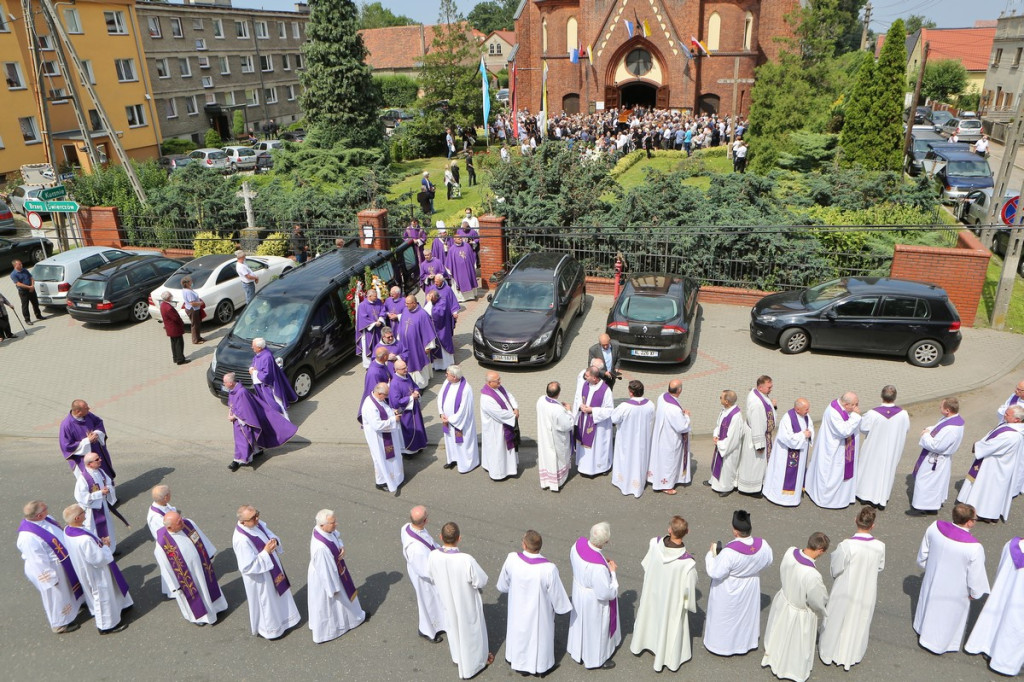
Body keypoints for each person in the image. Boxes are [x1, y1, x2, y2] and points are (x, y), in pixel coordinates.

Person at [913, 503, 989, 653]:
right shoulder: (974, 548)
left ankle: (922, 630)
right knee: (946, 616)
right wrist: (975, 593)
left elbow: (923, 554)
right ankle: (938, 645)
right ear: (969, 522)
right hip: (955, 589)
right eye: (975, 519)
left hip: (933, 579)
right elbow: (975, 575)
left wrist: (929, 568)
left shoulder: (935, 527)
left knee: (929, 604)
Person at [496, 529, 572, 676]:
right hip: (539, 612)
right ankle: (540, 666)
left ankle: (516, 660)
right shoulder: (548, 569)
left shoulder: (512, 559)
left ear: (524, 545)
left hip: (517, 608)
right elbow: (558, 599)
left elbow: (503, 585)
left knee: (517, 633)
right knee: (538, 638)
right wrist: (560, 607)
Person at [819, 506, 885, 671]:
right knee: (859, 619)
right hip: (867, 589)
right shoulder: (880, 546)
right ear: (873, 525)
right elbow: (880, 567)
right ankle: (851, 654)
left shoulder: (846, 545)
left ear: (855, 520)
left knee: (837, 618)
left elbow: (836, 568)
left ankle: (830, 652)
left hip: (845, 588)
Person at [630, 516, 698, 672]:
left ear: (669, 530)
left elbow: (647, 565)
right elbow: (688, 591)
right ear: (687, 532)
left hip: (652, 594)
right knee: (669, 626)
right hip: (670, 603)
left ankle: (642, 643)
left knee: (649, 618)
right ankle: (666, 657)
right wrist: (686, 604)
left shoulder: (655, 544)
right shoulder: (687, 564)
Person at [427, 521, 493, 679]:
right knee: (471, 631)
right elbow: (481, 581)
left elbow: (430, 575)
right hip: (465, 602)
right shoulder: (465, 560)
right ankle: (474, 665)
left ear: (440, 537)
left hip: (446, 599)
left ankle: (457, 657)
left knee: (452, 627)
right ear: (459, 538)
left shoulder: (433, 555)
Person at [761, 532, 830, 682]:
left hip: (784, 600)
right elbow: (817, 600)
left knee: (779, 633)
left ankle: (774, 657)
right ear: (820, 550)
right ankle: (790, 669)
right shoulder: (812, 575)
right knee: (795, 644)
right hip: (799, 611)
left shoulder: (790, 552)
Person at [704, 510, 774, 656]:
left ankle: (721, 646)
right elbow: (768, 561)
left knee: (726, 618)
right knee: (745, 616)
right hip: (750, 586)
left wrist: (710, 554)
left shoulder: (729, 552)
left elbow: (716, 572)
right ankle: (743, 644)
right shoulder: (763, 545)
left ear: (735, 531)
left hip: (730, 588)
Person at [233, 505, 301, 639]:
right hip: (261, 577)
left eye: (257, 514)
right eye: (253, 518)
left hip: (272, 566)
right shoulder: (241, 540)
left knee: (279, 596)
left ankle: (287, 620)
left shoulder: (255, 524)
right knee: (268, 602)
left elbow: (268, 534)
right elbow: (247, 566)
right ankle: (272, 630)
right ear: (243, 522)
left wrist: (274, 540)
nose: (257, 519)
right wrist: (266, 552)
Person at [63, 504, 132, 634]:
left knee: (110, 589)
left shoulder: (68, 530)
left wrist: (99, 543)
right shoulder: (84, 539)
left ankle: (121, 605)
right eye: (83, 512)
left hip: (83, 566)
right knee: (102, 595)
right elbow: (98, 559)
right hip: (96, 572)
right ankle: (106, 626)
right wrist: (105, 546)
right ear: (77, 518)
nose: (85, 513)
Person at [17, 500, 83, 634]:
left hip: (63, 561)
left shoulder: (46, 519)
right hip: (49, 568)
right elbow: (37, 561)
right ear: (38, 515)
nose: (47, 509)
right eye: (45, 508)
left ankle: (77, 605)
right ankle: (60, 624)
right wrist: (50, 579)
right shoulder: (27, 538)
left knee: (69, 589)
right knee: (56, 595)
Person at [964, 535, 1024, 676]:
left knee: (997, 616)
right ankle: (1004, 663)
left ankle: (988, 646)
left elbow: (1000, 572)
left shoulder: (1011, 545)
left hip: (1003, 596)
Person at [154, 510, 227, 626]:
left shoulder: (188, 524)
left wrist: (208, 553)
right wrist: (174, 585)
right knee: (194, 594)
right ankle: (200, 618)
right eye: (179, 522)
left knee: (208, 585)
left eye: (181, 518)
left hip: (201, 565)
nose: (182, 522)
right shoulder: (162, 544)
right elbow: (165, 567)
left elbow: (200, 537)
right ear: (169, 527)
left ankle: (218, 607)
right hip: (187, 576)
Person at [956, 405, 1024, 522]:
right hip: (993, 463)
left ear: (1017, 419)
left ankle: (985, 513)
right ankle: (980, 510)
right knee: (986, 489)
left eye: (1007, 414)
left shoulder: (1012, 435)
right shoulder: (1009, 426)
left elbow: (993, 445)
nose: (1004, 415)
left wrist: (977, 446)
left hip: (997, 466)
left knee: (989, 490)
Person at [567, 522, 620, 670]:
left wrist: (601, 559)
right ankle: (596, 660)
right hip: (593, 601)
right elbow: (606, 593)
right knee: (595, 630)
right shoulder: (599, 567)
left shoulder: (577, 544)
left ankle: (577, 651)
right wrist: (613, 572)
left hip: (579, 591)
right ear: (606, 542)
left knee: (580, 624)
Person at [308, 509, 366, 643]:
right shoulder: (321, 548)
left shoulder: (323, 530)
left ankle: (351, 620)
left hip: (334, 570)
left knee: (343, 600)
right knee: (331, 604)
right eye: (332, 523)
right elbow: (324, 571)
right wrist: (332, 588)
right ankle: (328, 632)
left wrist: (341, 546)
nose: (336, 525)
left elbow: (336, 537)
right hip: (328, 578)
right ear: (322, 525)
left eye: (335, 521)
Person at [224, 372, 298, 472]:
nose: (224, 384)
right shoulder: (233, 391)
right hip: (238, 420)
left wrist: (233, 417)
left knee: (242, 441)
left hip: (243, 421)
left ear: (231, 383)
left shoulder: (241, 392)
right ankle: (257, 451)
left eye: (225, 382)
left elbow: (245, 410)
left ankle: (237, 460)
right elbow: (232, 404)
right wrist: (230, 413)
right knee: (250, 438)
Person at [855, 385, 909, 509]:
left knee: (870, 469)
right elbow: (905, 429)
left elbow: (863, 428)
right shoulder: (903, 414)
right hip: (891, 449)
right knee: (886, 471)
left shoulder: (873, 413)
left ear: (881, 396)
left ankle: (865, 495)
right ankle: (881, 497)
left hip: (874, 448)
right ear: (895, 397)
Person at [805, 392, 862, 509]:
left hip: (845, 447)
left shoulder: (842, 406)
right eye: (854, 405)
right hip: (834, 450)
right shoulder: (834, 412)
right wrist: (856, 416)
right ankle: (827, 500)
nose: (856, 407)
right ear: (846, 404)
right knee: (832, 474)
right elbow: (844, 431)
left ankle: (844, 497)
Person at [910, 397, 965, 515]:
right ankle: (931, 505)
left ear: (948, 410)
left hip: (936, 459)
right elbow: (938, 428)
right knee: (934, 483)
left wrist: (925, 435)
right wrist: (928, 429)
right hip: (938, 458)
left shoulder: (951, 428)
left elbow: (936, 446)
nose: (939, 407)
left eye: (941, 406)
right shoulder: (952, 419)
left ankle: (922, 507)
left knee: (925, 481)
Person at [401, 506, 445, 642]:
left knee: (437, 600)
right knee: (429, 602)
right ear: (425, 521)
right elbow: (425, 571)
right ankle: (427, 630)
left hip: (424, 568)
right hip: (424, 579)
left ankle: (442, 623)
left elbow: (429, 542)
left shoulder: (407, 527)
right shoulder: (416, 549)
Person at [763, 398, 814, 506]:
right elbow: (786, 438)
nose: (808, 411)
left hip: (800, 453)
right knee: (782, 475)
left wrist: (809, 433)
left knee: (798, 474)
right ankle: (779, 498)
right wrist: (803, 435)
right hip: (786, 454)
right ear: (797, 409)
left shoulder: (806, 416)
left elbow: (810, 428)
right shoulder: (787, 419)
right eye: (806, 409)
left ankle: (793, 498)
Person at [610, 380, 656, 497]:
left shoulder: (624, 406)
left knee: (626, 460)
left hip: (627, 440)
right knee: (639, 460)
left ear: (631, 392)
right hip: (643, 440)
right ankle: (638, 483)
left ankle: (625, 483)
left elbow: (614, 419)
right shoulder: (650, 404)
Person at [360, 382, 405, 493]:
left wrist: (393, 412)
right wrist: (394, 419)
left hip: (387, 435)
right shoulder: (370, 406)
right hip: (378, 438)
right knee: (380, 459)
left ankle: (396, 477)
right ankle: (381, 482)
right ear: (379, 394)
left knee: (392, 457)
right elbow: (377, 425)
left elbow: (385, 409)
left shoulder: (378, 399)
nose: (387, 397)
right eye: (386, 395)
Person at [648, 379, 692, 494]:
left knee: (661, 459)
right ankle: (665, 485)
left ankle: (655, 478)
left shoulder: (662, 396)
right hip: (670, 439)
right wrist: (687, 416)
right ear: (679, 390)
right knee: (669, 461)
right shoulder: (674, 409)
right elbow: (682, 427)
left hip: (661, 435)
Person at [73, 452, 119, 554]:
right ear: (89, 464)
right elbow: (81, 497)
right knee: (94, 531)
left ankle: (110, 549)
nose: (100, 460)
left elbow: (109, 483)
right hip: (92, 511)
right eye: (97, 459)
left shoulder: (100, 471)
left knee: (108, 527)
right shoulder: (83, 479)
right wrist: (100, 493)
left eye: (99, 458)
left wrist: (108, 489)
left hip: (103, 506)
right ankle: (99, 553)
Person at [574, 367, 615, 477]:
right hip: (584, 421)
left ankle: (599, 468)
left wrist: (592, 410)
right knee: (584, 446)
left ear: (595, 378)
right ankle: (583, 466)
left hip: (598, 425)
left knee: (597, 448)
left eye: (587, 376)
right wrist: (580, 406)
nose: (585, 377)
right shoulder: (585, 384)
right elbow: (578, 398)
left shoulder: (605, 390)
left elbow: (610, 410)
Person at [59, 399, 115, 479]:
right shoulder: (66, 425)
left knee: (105, 475)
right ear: (78, 411)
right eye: (86, 408)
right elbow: (66, 446)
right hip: (83, 459)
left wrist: (96, 433)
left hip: (98, 452)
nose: (89, 408)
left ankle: (108, 486)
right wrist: (87, 441)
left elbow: (98, 422)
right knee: (91, 479)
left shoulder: (88, 415)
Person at [740, 375, 777, 495]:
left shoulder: (759, 394)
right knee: (755, 464)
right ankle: (751, 489)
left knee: (758, 464)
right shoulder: (757, 403)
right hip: (757, 437)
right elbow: (757, 423)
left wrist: (773, 407)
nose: (771, 389)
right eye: (769, 387)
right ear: (760, 387)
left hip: (761, 434)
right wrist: (759, 444)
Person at [479, 372, 519, 481]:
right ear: (489, 383)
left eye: (499, 379)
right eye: (497, 380)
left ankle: (510, 468)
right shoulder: (486, 398)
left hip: (505, 424)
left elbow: (509, 396)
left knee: (505, 450)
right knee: (498, 451)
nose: (500, 382)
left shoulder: (499, 387)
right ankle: (499, 473)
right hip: (496, 429)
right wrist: (513, 415)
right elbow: (499, 414)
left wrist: (515, 407)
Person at [439, 365, 479, 473]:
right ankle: (453, 459)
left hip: (460, 423)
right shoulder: (447, 382)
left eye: (447, 374)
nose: (445, 375)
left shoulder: (466, 389)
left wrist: (450, 419)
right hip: (447, 420)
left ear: (454, 377)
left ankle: (466, 464)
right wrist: (441, 413)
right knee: (450, 441)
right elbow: (440, 397)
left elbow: (464, 409)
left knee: (463, 443)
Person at [535, 382, 574, 492]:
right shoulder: (558, 409)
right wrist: (569, 411)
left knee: (547, 457)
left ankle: (547, 481)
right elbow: (567, 425)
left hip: (544, 436)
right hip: (556, 439)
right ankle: (558, 481)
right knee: (557, 459)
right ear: (558, 393)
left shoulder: (541, 400)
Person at [706, 390, 745, 496]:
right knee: (717, 464)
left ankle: (726, 487)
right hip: (721, 443)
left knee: (727, 468)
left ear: (727, 401)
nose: (720, 398)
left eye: (721, 397)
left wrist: (720, 443)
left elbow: (733, 438)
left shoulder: (735, 416)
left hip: (729, 449)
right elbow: (719, 425)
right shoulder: (724, 410)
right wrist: (716, 435)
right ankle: (714, 482)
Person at [249, 337, 297, 420]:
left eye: (253, 346)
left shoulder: (267, 357)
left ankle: (285, 422)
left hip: (270, 386)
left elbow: (267, 375)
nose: (252, 347)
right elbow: (255, 361)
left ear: (259, 348)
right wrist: (252, 368)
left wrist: (254, 372)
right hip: (263, 385)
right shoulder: (260, 353)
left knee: (276, 404)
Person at [390, 360, 428, 455]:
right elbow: (396, 402)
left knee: (418, 426)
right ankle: (409, 451)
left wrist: (416, 391)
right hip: (405, 412)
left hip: (414, 408)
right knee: (409, 430)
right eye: (403, 369)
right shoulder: (394, 383)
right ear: (396, 370)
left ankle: (419, 445)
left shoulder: (407, 376)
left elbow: (415, 386)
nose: (406, 370)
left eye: (406, 367)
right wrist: (411, 398)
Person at [400, 295, 438, 388]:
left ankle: (421, 385)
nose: (406, 305)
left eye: (408, 303)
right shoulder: (405, 310)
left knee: (418, 364)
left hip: (417, 346)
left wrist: (428, 347)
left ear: (414, 303)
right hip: (405, 344)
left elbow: (428, 331)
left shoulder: (422, 314)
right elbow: (401, 325)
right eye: (405, 303)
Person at [147, 485, 178, 599]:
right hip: (166, 544)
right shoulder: (156, 517)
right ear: (165, 498)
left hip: (169, 541)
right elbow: (167, 532)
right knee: (172, 568)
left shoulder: (162, 505)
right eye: (169, 493)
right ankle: (174, 590)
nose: (171, 494)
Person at [359, 346, 392, 420]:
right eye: (388, 354)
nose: (389, 355)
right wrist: (389, 385)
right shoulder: (374, 373)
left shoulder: (380, 364)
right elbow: (376, 391)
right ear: (384, 357)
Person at [355, 287, 385, 370]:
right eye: (375, 296)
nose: (376, 297)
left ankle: (383, 361)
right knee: (369, 347)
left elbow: (383, 310)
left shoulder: (378, 301)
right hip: (369, 331)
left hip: (379, 329)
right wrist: (374, 323)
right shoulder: (362, 305)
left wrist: (380, 319)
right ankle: (370, 366)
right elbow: (363, 318)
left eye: (376, 296)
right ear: (369, 296)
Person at [426, 291, 455, 371]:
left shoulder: (442, 303)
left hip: (442, 330)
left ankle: (446, 365)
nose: (429, 299)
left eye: (431, 297)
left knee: (443, 348)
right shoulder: (434, 302)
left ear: (435, 297)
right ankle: (437, 366)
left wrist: (429, 303)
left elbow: (433, 314)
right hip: (435, 329)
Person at [10, 259, 45, 324]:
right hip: (23, 292)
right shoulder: (13, 274)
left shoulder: (25, 270)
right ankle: (27, 319)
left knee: (35, 303)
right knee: (25, 306)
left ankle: (38, 315)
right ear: (15, 265)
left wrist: (32, 286)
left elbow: (31, 278)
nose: (21, 265)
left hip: (31, 289)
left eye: (21, 263)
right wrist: (29, 287)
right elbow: (18, 284)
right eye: (19, 264)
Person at [445, 235, 478, 302]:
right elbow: (449, 262)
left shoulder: (467, 246)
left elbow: (471, 256)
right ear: (454, 239)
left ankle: (471, 296)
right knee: (460, 282)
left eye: (461, 238)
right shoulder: (452, 249)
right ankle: (461, 298)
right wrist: (450, 271)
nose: (460, 239)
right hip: (458, 271)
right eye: (458, 238)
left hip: (468, 268)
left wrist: (473, 265)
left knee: (469, 279)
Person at [180, 276, 206, 344]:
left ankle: (198, 337)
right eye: (191, 281)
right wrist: (201, 303)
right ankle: (195, 340)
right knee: (195, 325)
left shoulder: (187, 289)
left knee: (197, 324)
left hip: (193, 309)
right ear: (187, 283)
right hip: (193, 310)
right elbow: (192, 303)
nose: (192, 282)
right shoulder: (188, 292)